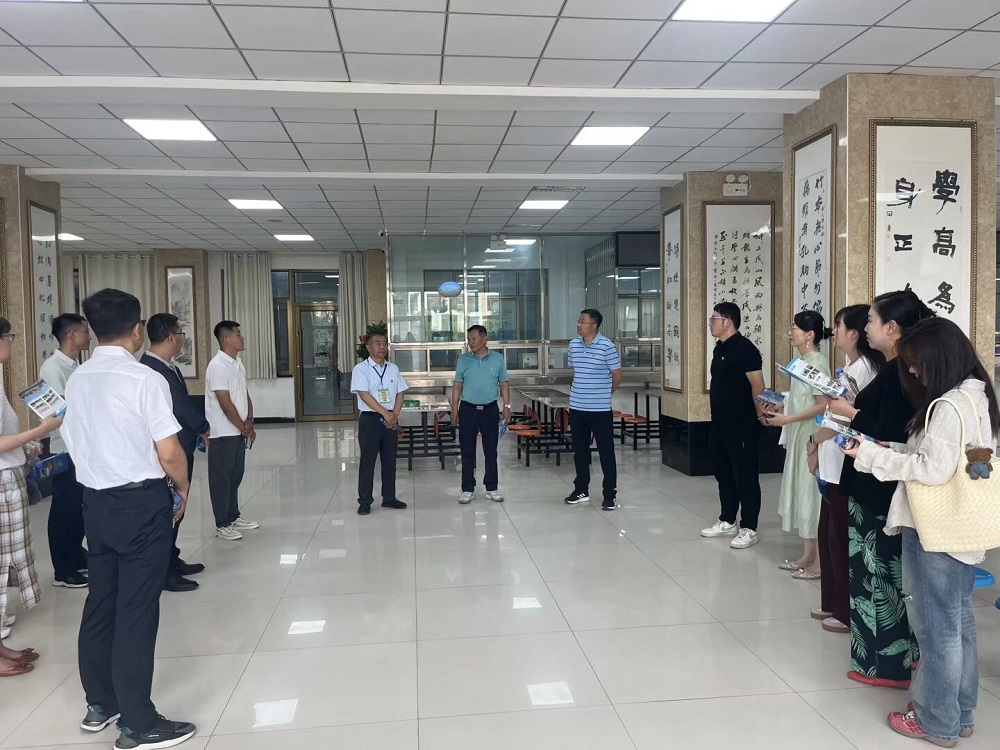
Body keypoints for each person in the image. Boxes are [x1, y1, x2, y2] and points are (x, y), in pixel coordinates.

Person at [842, 316, 997, 746]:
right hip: (960, 529)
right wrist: (885, 447)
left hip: (935, 528)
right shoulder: (977, 396)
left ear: (938, 358)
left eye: (916, 363)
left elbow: (930, 470)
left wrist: (872, 457)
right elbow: (939, 457)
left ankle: (935, 721)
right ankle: (959, 713)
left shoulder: (947, 406)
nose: (911, 370)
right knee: (958, 621)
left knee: (936, 629)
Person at [61, 289, 196, 748]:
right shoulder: (143, 379)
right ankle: (138, 723)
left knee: (101, 602)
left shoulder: (78, 379)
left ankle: (101, 703)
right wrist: (182, 487)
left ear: (93, 329)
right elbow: (169, 451)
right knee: (137, 610)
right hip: (140, 505)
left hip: (95, 505)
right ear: (137, 330)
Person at [827, 289, 934, 689]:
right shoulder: (899, 369)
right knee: (884, 573)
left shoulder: (901, 373)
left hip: (879, 487)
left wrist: (851, 412)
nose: (866, 328)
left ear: (891, 328)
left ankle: (884, 666)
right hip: (877, 482)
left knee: (878, 575)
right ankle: (898, 657)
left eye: (871, 321)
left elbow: (893, 433)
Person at [807, 305, 883, 633]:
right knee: (829, 534)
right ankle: (831, 602)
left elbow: (841, 419)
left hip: (844, 462)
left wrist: (813, 440)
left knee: (840, 537)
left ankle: (845, 611)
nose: (833, 331)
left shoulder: (865, 370)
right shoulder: (851, 367)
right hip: (832, 461)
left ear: (853, 334)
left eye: (838, 325)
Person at [0, 317, 62, 677]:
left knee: (8, 560)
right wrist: (41, 429)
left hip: (8, 477)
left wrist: (27, 446)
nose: (11, 341)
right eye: (8, 336)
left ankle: (1, 647)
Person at [141, 314, 209, 592]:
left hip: (181, 446)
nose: (182, 339)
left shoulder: (166, 367)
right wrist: (204, 427)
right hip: (169, 450)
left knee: (177, 507)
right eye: (181, 334)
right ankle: (164, 571)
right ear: (171, 337)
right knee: (170, 508)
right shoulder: (153, 370)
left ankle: (172, 557)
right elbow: (179, 408)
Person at [766, 311, 832, 579]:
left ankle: (819, 563)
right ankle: (807, 554)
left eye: (794, 328)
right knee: (802, 493)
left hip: (810, 435)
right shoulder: (801, 362)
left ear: (810, 335)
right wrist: (781, 405)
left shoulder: (817, 364)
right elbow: (802, 397)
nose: (790, 333)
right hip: (798, 434)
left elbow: (822, 404)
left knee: (810, 495)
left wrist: (788, 419)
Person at [701, 302, 766, 549]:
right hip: (719, 423)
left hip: (742, 424)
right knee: (723, 473)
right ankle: (728, 519)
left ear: (727, 321)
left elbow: (758, 386)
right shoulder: (719, 348)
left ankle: (749, 527)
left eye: (714, 319)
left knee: (745, 475)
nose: (710, 323)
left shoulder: (745, 349)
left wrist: (760, 415)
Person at [38, 313, 91, 589]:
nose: (89, 335)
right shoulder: (52, 368)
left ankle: (76, 555)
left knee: (80, 506)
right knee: (64, 508)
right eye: (85, 331)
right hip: (64, 449)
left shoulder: (76, 366)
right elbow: (59, 410)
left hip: (82, 447)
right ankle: (63, 569)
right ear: (72, 335)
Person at [205, 321, 258, 542]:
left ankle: (232, 516)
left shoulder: (237, 363)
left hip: (238, 430)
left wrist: (250, 421)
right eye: (238, 334)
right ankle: (222, 524)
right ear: (226, 339)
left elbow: (244, 394)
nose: (242, 337)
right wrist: (243, 427)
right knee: (221, 479)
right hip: (223, 432)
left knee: (235, 476)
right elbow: (225, 403)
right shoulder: (217, 366)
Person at [563, 309, 621, 511]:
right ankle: (581, 490)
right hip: (577, 408)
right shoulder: (573, 345)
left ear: (594, 325)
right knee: (580, 452)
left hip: (600, 409)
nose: (579, 325)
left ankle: (609, 495)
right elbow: (575, 371)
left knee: (606, 452)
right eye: (578, 321)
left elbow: (617, 375)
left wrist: (604, 394)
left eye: (583, 322)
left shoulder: (607, 346)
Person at [451, 325, 511, 504]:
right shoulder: (464, 360)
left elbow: (504, 383)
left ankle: (491, 488)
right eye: (469, 339)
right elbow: (457, 385)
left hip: (490, 410)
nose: (471, 342)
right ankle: (467, 489)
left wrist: (507, 406)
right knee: (467, 451)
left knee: (491, 451)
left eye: (474, 338)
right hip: (468, 410)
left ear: (485, 339)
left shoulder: (497, 359)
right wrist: (454, 409)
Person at [350, 332, 408, 516]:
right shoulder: (361, 369)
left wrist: (394, 415)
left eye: (384, 343)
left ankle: (389, 497)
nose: (382, 346)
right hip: (370, 419)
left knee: (390, 460)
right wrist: (385, 413)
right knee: (368, 461)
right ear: (368, 347)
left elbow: (400, 393)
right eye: (377, 343)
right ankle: (365, 501)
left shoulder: (393, 368)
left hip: (390, 419)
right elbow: (364, 394)